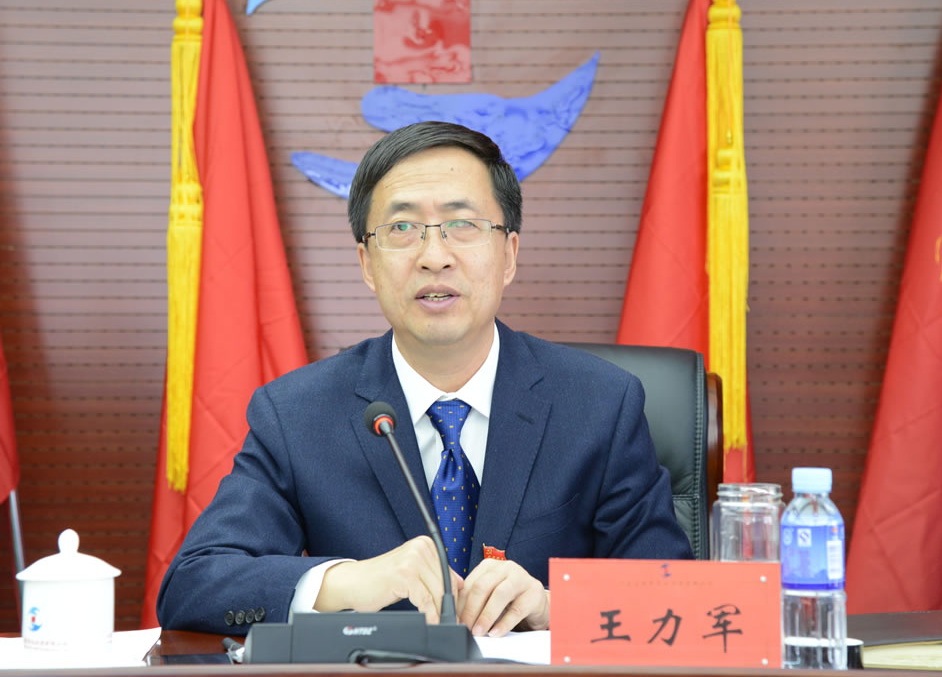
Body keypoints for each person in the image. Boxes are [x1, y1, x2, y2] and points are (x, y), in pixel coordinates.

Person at [156, 121, 692, 637]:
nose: (435, 257)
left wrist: (555, 607)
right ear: (367, 264)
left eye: (463, 225)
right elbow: (193, 584)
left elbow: (675, 599)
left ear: (508, 254)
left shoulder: (599, 404)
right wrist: (346, 581)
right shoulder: (297, 414)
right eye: (402, 229)